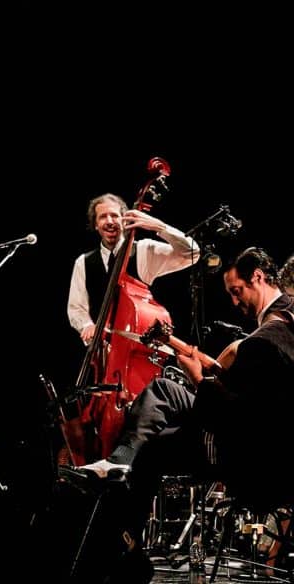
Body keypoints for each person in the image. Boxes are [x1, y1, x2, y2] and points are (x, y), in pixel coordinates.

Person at [74, 247, 294, 580]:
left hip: (246, 458)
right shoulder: (282, 323)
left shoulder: (265, 341)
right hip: (257, 442)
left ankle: (127, 546)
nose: (234, 301)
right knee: (164, 390)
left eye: (237, 291)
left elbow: (235, 418)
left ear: (258, 278)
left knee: (151, 447)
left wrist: (198, 379)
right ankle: (120, 465)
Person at [68, 192, 201, 347]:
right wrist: (86, 325)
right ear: (95, 224)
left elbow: (192, 253)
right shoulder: (83, 262)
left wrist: (159, 227)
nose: (110, 221)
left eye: (115, 216)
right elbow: (76, 307)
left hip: (138, 347)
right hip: (102, 351)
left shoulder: (144, 250)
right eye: (103, 217)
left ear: (125, 220)